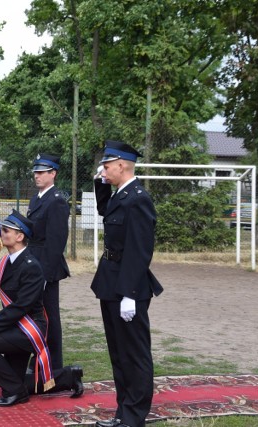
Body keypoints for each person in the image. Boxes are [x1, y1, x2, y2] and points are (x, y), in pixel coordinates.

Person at [0, 210, 83, 407]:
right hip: (16, 327)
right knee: (17, 380)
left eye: (6, 230)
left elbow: (21, 306)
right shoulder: (7, 262)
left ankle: (17, 393)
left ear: (20, 237)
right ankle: (69, 377)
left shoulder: (31, 266)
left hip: (30, 329)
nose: (1, 234)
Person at [92, 141, 164, 427]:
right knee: (119, 354)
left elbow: (140, 250)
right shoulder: (120, 194)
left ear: (122, 165)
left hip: (127, 286)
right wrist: (101, 184)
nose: (103, 170)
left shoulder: (138, 198)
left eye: (107, 166)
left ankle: (135, 417)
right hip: (110, 281)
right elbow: (104, 211)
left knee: (134, 354)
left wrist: (130, 294)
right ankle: (123, 412)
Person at [26, 153, 70, 370]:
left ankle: (54, 365)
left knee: (49, 316)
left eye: (42, 172)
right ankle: (38, 359)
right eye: (36, 171)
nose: (37, 175)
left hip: (46, 267)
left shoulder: (57, 201)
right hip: (32, 262)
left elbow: (56, 243)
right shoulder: (37, 198)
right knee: (34, 314)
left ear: (53, 174)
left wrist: (43, 274)